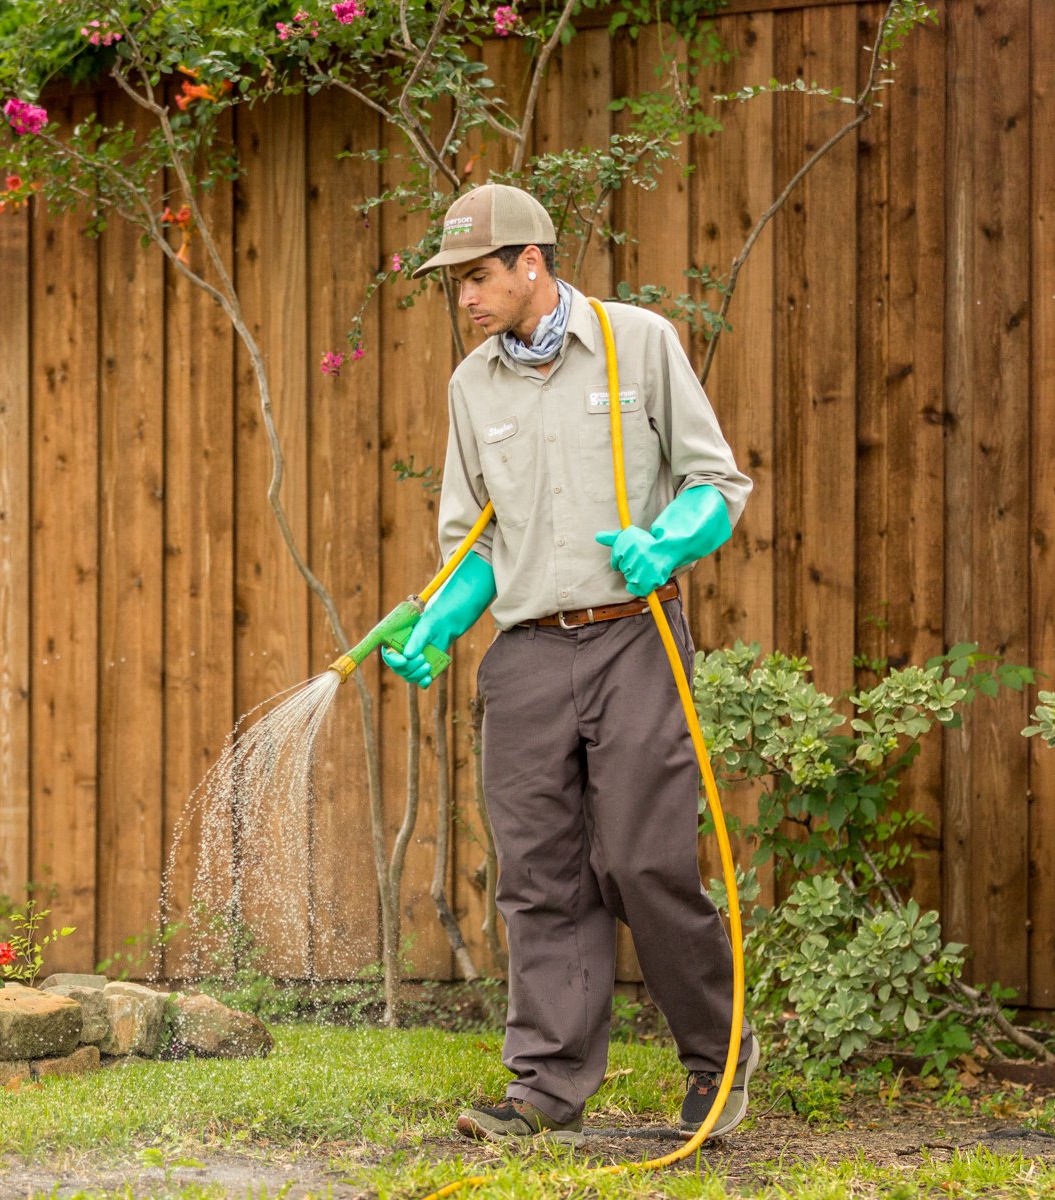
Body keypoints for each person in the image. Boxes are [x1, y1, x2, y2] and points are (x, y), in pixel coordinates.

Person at [383, 183, 758, 1144]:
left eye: (477, 277)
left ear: (531, 264)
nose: (464, 298)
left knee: (644, 861)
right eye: (454, 283)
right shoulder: (473, 388)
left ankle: (719, 1060)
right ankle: (545, 1089)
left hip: (636, 634)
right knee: (539, 875)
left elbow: (718, 481)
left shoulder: (638, 343)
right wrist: (435, 626)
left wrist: (668, 542)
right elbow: (474, 547)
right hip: (529, 659)